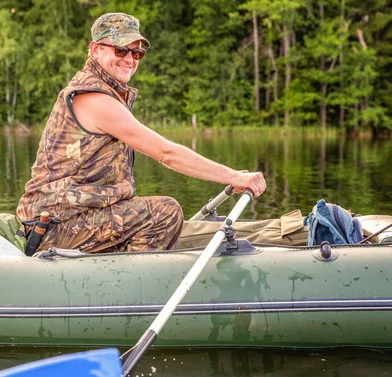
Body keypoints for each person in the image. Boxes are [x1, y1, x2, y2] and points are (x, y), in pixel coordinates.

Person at [16, 12, 266, 254]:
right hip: (56, 227)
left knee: (142, 210)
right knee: (165, 212)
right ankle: (131, 283)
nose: (130, 59)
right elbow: (167, 154)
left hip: (72, 217)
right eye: (121, 50)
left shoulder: (104, 92)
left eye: (137, 53)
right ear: (95, 50)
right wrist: (233, 176)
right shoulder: (94, 99)